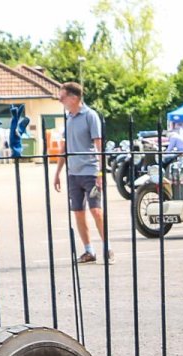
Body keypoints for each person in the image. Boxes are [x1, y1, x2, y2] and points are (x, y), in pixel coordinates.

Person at [53, 81, 111, 264]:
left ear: (74, 97)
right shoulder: (68, 117)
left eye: (62, 97)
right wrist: (57, 172)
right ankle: (89, 251)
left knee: (96, 210)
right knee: (78, 212)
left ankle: (107, 248)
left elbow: (99, 145)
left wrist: (101, 173)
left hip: (90, 171)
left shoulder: (90, 116)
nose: (60, 100)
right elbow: (65, 147)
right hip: (73, 173)